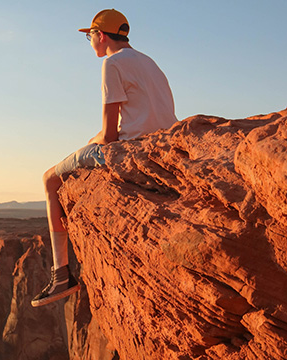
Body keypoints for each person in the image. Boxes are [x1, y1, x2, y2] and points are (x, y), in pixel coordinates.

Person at [31, 9, 178, 307]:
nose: (89, 41)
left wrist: (89, 143)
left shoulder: (112, 64)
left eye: (89, 36)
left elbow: (109, 136)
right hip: (163, 147)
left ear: (101, 35)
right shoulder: (150, 62)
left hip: (129, 151)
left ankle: (61, 274)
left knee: (49, 179)